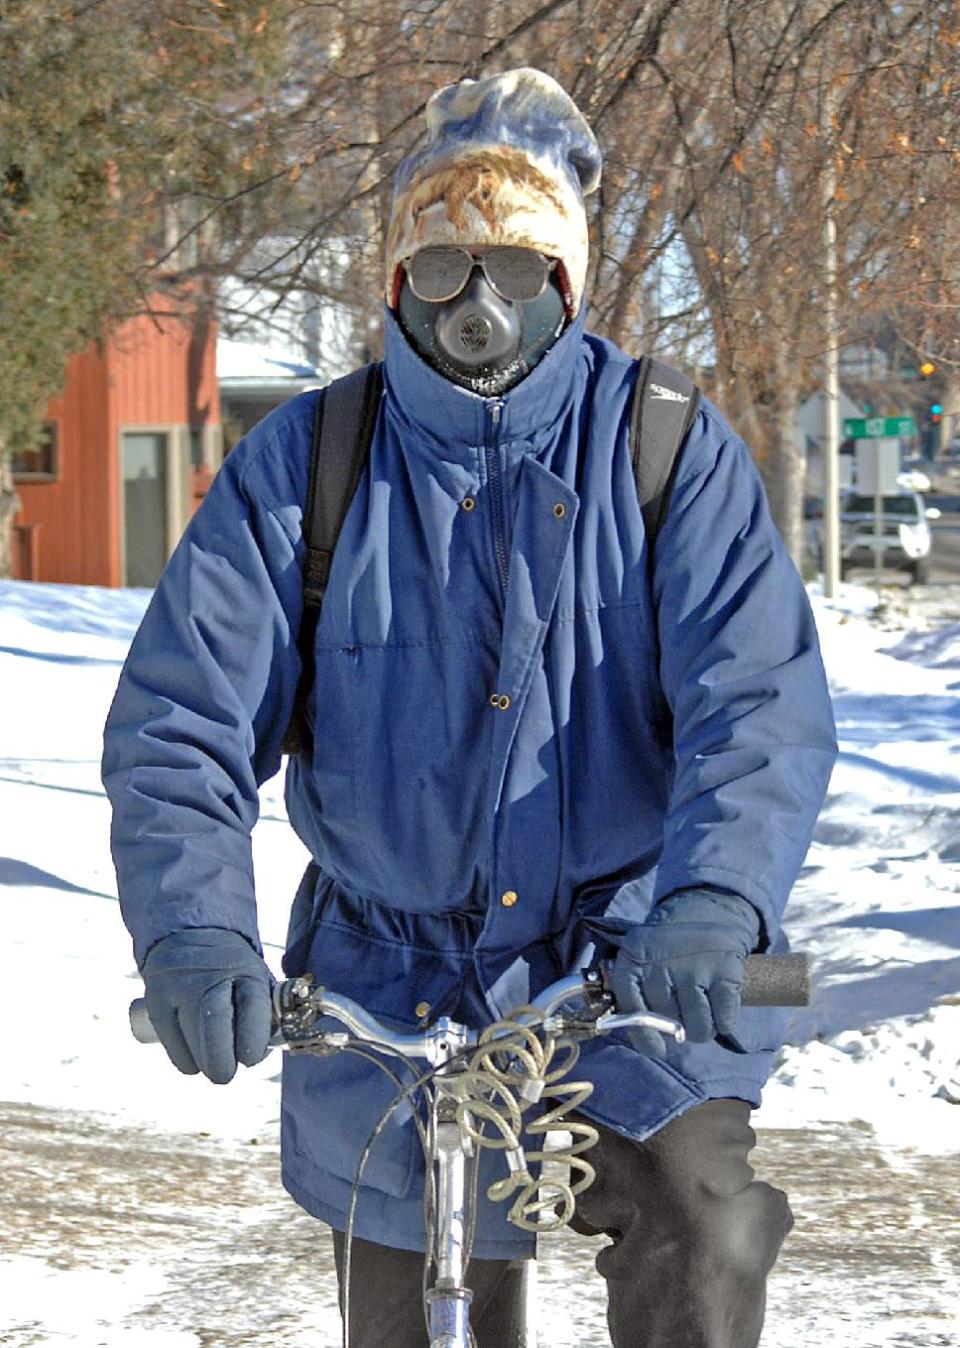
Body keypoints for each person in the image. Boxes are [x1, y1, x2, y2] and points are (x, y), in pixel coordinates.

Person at [102, 67, 837, 1348]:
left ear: (569, 276)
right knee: (420, 1314)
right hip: (386, 981)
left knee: (700, 1230)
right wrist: (191, 935)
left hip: (623, 975)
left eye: (514, 263)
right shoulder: (312, 461)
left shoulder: (663, 448)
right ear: (394, 280)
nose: (475, 303)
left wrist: (714, 902)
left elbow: (757, 703)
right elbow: (182, 721)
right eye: (440, 266)